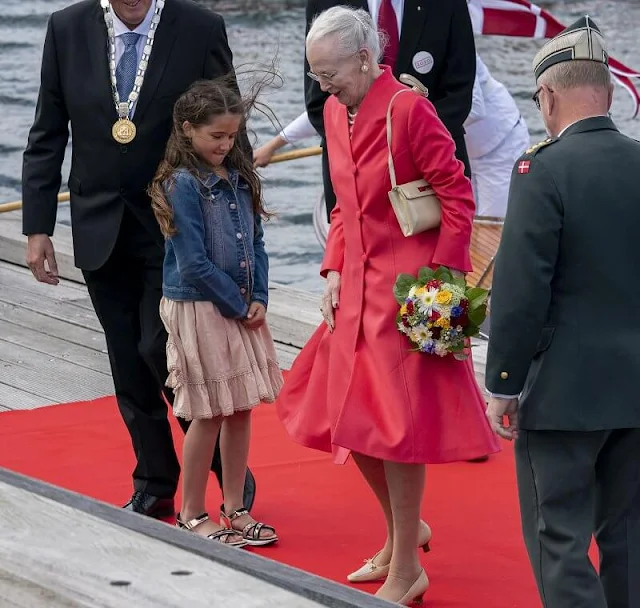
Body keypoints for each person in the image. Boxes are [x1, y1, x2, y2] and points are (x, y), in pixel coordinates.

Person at [276, 7, 499, 604]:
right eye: (316, 76)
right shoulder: (332, 109)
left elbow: (456, 191)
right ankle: (407, 533)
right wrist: (330, 269)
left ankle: (406, 565)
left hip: (412, 288)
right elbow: (346, 206)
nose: (322, 86)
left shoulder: (409, 108)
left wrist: (443, 282)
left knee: (396, 429)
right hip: (356, 287)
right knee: (344, 415)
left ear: (365, 58)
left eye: (330, 74)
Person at [21, 0, 255, 519]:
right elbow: (47, 132)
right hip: (98, 221)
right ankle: (155, 482)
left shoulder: (200, 28)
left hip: (176, 224)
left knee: (159, 348)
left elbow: (230, 134)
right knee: (127, 362)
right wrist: (38, 226)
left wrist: (239, 225)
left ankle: (223, 466)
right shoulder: (65, 27)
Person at [485, 16, 640, 608]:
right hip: (633, 387)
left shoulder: (541, 169)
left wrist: (504, 381)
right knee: (626, 535)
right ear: (606, 92)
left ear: (548, 95)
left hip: (564, 393)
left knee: (560, 540)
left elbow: (523, 288)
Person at [149, 79, 282, 546]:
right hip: (200, 306)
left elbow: (258, 242)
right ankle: (190, 512)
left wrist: (259, 296)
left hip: (241, 305)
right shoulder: (182, 185)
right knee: (207, 412)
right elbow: (193, 262)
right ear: (188, 130)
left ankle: (235, 507)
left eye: (232, 136)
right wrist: (238, 303)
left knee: (241, 409)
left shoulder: (241, 178)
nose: (226, 145)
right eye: (216, 137)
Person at [305, 0, 476, 220]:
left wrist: (407, 138)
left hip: (429, 182)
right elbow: (318, 101)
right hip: (353, 183)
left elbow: (458, 94)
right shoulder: (323, 2)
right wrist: (373, 158)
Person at [464, 53, 530, 218]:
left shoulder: (453, 37)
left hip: (500, 146)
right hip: (464, 152)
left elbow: (475, 108)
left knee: (494, 229)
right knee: (464, 225)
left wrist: (421, 123)